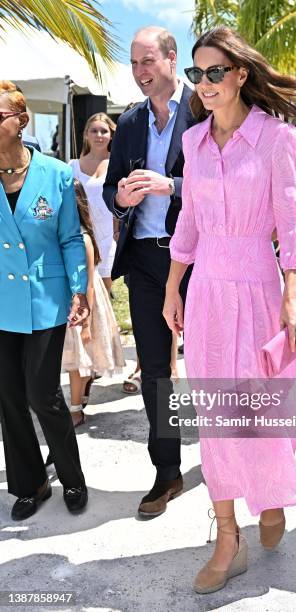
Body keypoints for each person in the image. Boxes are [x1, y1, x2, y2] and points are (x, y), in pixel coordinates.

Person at [163, 26, 296, 593]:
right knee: (216, 418)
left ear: (239, 75)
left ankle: (272, 491)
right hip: (207, 288)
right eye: (195, 73)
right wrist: (172, 284)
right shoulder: (192, 142)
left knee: (265, 412)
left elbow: (295, 217)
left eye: (213, 72)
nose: (203, 84)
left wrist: (293, 288)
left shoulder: (278, 138)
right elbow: (188, 220)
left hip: (259, 284)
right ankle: (228, 538)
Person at [103, 26, 196, 517]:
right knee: (156, 371)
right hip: (143, 259)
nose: (140, 73)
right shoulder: (131, 120)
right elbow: (111, 188)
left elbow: (220, 181)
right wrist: (119, 198)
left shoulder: (204, 109)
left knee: (211, 366)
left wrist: (171, 185)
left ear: (171, 58)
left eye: (147, 62)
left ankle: (234, 462)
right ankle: (167, 472)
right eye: (134, 64)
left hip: (199, 260)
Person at [0, 80, 89, 520]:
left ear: (21, 121)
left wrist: (79, 288)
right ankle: (30, 483)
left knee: (42, 393)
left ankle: (71, 477)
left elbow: (71, 237)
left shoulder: (55, 173)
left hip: (45, 298)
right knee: (8, 395)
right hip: (1, 301)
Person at [62, 179, 126, 426]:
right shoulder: (66, 234)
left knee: (77, 360)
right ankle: (81, 394)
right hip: (71, 303)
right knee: (75, 359)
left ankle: (76, 409)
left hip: (85, 305)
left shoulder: (83, 238)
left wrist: (86, 322)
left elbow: (88, 283)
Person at [70, 113, 118, 294]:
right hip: (81, 234)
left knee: (105, 289)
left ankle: (105, 323)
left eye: (104, 131)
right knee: (82, 287)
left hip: (108, 234)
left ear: (111, 135)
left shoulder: (117, 164)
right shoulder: (72, 166)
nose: (99, 135)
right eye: (94, 130)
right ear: (86, 135)